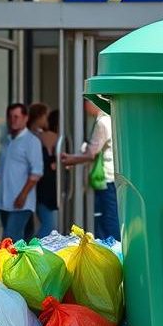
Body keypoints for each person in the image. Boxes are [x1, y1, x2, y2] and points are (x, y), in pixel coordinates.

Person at [61, 99, 119, 241]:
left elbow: (91, 153)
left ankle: (109, 254)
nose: (83, 108)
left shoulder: (103, 122)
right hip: (110, 178)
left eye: (85, 103)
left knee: (106, 220)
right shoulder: (112, 118)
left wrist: (69, 160)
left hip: (106, 178)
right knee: (109, 218)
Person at [0, 103, 43, 242]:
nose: (13, 120)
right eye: (10, 117)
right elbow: (1, 165)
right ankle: (27, 263)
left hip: (21, 202)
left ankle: (9, 264)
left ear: (25, 118)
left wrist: (23, 195)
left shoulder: (31, 141)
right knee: (22, 239)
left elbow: (36, 172)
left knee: (10, 239)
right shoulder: (7, 140)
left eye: (17, 117)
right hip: (4, 199)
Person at [28, 103, 60, 237]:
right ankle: (33, 252)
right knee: (49, 226)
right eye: (45, 116)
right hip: (41, 188)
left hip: (40, 188)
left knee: (41, 226)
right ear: (40, 116)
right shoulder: (40, 137)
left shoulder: (32, 135)